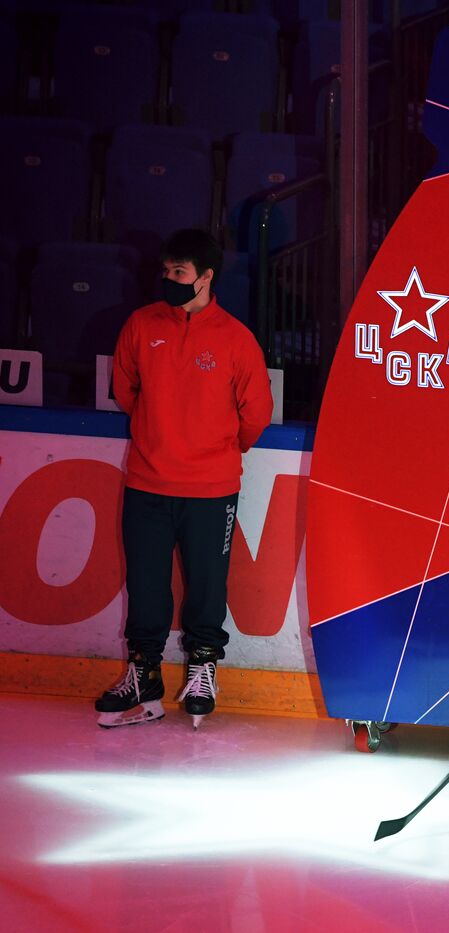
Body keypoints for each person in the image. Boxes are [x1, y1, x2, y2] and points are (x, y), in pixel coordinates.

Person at [95, 229, 273, 730]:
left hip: (211, 490)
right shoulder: (140, 324)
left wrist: (216, 449)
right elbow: (125, 390)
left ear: (207, 276)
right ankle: (143, 673)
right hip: (147, 484)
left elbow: (256, 413)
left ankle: (202, 668)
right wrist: (160, 436)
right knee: (146, 585)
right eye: (167, 270)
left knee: (207, 587)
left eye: (180, 272)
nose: (169, 279)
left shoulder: (236, 339)